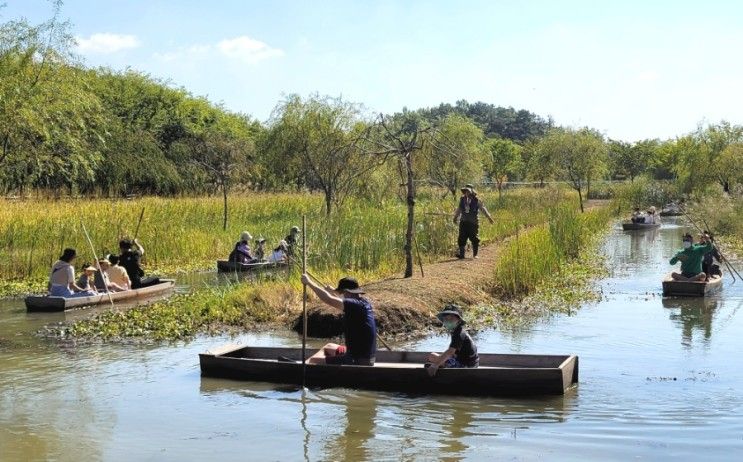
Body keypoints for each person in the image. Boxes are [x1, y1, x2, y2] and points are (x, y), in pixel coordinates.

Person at [301, 275, 377, 366]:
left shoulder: (353, 304)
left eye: (343, 293)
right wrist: (333, 291)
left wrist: (309, 282)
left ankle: (303, 369)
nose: (342, 295)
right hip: (364, 356)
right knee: (329, 347)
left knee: (314, 360)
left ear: (346, 292)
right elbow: (343, 300)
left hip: (357, 359)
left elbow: (329, 299)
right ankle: (306, 365)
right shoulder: (364, 302)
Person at [426, 304, 479, 377]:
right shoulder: (457, 331)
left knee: (432, 357)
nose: (448, 321)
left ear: (459, 320)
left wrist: (435, 365)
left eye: (451, 319)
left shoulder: (459, 333)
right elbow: (453, 352)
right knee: (432, 357)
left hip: (467, 366)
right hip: (467, 362)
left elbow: (450, 352)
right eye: (446, 319)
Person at [452, 184, 494, 259]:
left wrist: (489, 218)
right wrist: (455, 217)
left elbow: (483, 209)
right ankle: (462, 255)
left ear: (471, 191)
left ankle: (475, 255)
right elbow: (459, 209)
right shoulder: (462, 199)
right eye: (465, 191)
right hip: (463, 222)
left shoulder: (477, 200)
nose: (466, 192)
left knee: (474, 238)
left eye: (468, 191)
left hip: (473, 223)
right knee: (461, 238)